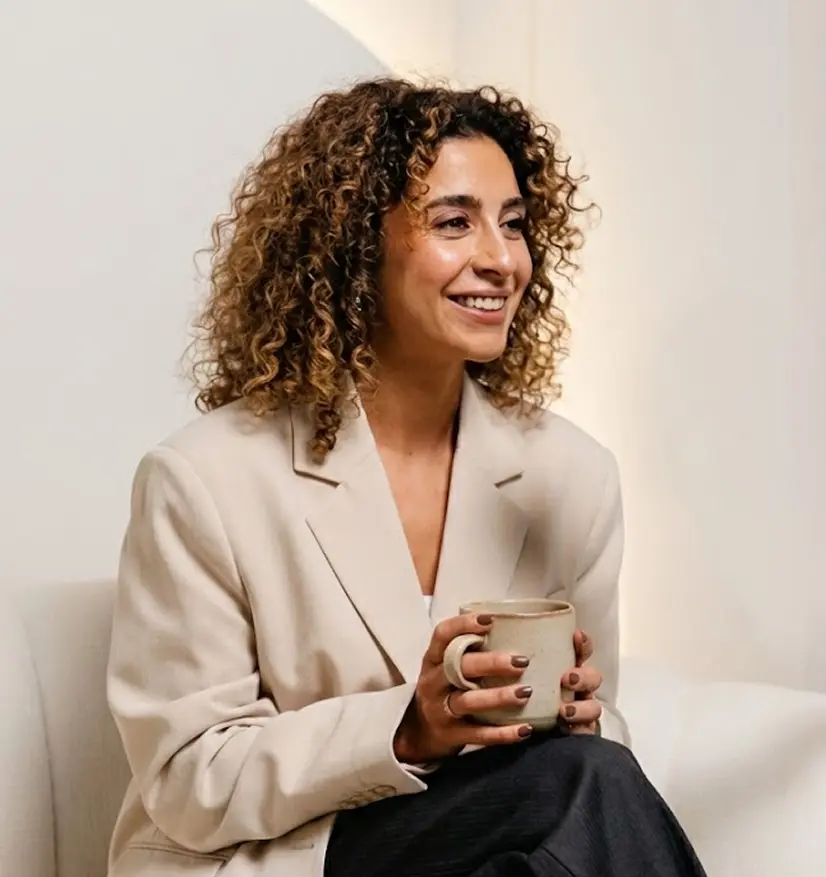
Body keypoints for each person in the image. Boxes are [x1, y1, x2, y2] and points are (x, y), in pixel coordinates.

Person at [106, 79, 707, 877]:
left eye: (515, 224)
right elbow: (190, 777)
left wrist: (585, 719)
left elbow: (598, 755)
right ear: (358, 245)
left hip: (493, 849)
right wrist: (407, 728)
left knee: (578, 786)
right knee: (579, 786)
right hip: (288, 857)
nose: (500, 258)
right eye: (455, 222)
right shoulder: (203, 478)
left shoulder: (572, 477)